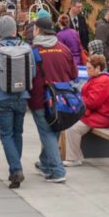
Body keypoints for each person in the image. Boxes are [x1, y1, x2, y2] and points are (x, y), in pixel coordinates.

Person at [0, 15, 34, 189]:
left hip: (3, 97)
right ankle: (15, 169)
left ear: (0, 32)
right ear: (15, 30)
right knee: (17, 133)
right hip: (22, 96)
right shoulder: (26, 47)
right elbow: (32, 73)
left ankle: (16, 169)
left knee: (6, 135)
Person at [29, 13, 77, 184]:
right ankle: (45, 164)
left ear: (38, 30)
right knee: (53, 130)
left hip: (40, 99)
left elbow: (29, 78)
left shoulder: (34, 51)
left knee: (47, 133)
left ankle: (57, 171)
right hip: (62, 99)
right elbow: (74, 74)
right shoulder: (64, 49)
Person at [62, 54, 109, 166]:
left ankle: (74, 159)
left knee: (73, 128)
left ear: (98, 68)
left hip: (105, 116)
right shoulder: (97, 78)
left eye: (89, 68)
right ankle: (76, 156)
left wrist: (79, 102)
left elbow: (93, 102)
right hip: (98, 113)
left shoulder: (103, 80)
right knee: (71, 124)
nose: (87, 71)